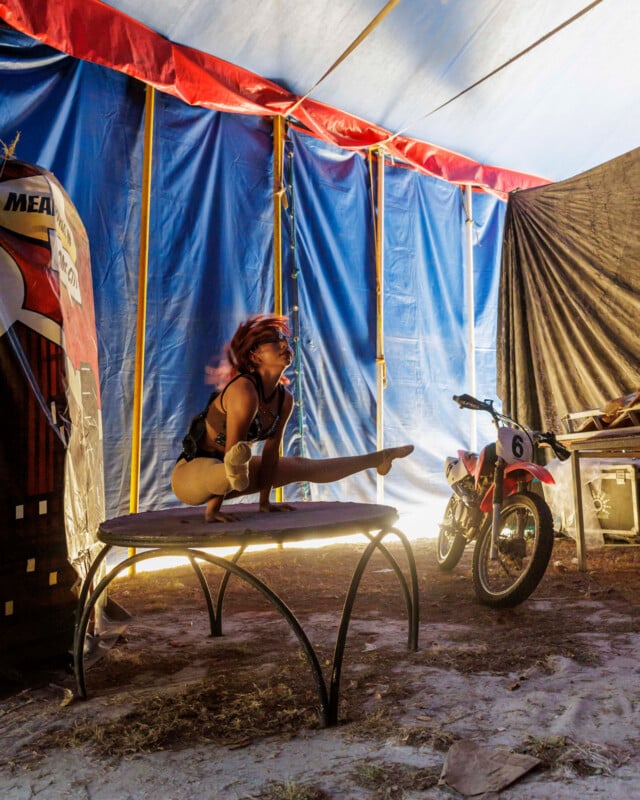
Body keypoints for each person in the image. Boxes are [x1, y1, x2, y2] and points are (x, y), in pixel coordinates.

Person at [171, 314, 414, 522]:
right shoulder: (244, 390)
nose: (284, 344)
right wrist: (212, 512)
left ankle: (379, 458)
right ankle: (231, 478)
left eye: (285, 340)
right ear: (255, 355)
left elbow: (270, 454)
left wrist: (264, 502)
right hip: (191, 476)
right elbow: (231, 452)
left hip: (237, 475)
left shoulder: (284, 399)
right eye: (274, 340)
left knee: (300, 465)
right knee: (231, 465)